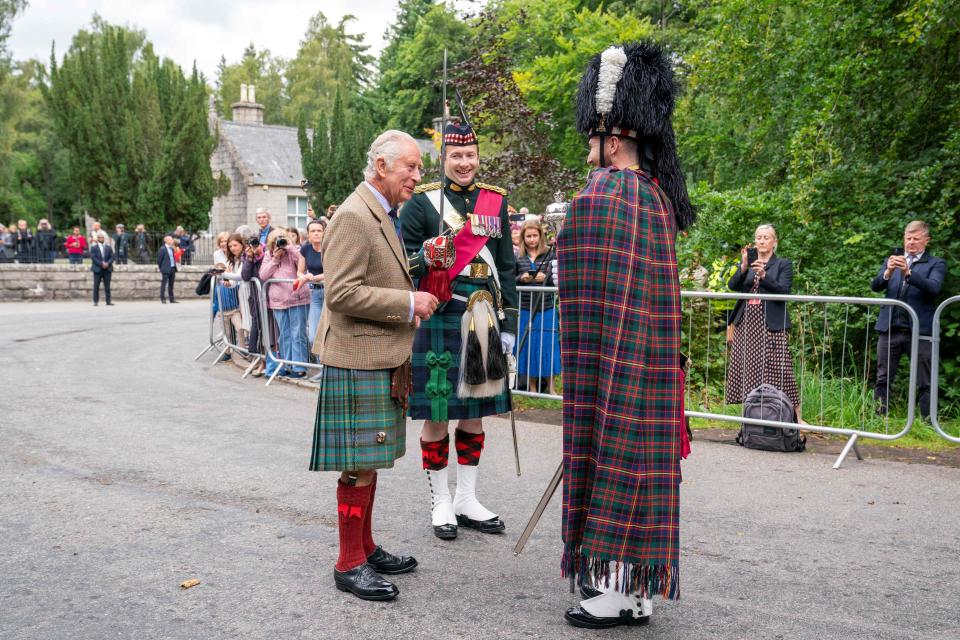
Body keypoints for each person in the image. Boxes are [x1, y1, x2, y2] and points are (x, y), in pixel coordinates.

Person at [556, 42, 695, 629]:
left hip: (610, 361)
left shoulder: (604, 193)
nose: (589, 149)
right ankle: (638, 592)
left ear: (613, 138)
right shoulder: (656, 198)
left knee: (611, 453)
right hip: (650, 361)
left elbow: (576, 280)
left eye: (593, 138)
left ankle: (611, 593)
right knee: (641, 459)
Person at [309, 130, 437, 601]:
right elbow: (341, 292)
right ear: (382, 167)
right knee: (357, 465)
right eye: (411, 167)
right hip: (358, 356)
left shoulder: (380, 212)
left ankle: (363, 546)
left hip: (376, 355)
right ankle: (348, 564)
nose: (417, 177)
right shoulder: (353, 216)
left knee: (370, 459)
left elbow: (378, 273)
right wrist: (407, 303)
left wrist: (422, 262)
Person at [401, 119, 518, 541]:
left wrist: (510, 323)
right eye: (456, 156)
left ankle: (467, 498)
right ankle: (440, 501)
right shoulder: (421, 203)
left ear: (478, 156)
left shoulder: (494, 202)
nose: (464, 163)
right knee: (437, 413)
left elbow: (506, 266)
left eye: (470, 155)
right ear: (443, 159)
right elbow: (404, 263)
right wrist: (429, 256)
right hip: (440, 315)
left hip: (484, 314)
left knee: (476, 412)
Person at [724, 224, 801, 421]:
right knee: (748, 368)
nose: (761, 241)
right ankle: (752, 415)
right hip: (747, 324)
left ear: (774, 242)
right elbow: (733, 286)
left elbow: (784, 292)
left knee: (780, 369)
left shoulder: (783, 264)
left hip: (771, 324)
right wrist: (743, 267)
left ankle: (795, 417)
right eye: (758, 237)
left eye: (766, 237)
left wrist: (764, 276)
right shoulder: (748, 264)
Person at [871, 220, 946, 421]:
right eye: (908, 238)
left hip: (919, 330)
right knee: (883, 377)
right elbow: (876, 286)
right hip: (890, 328)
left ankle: (928, 423)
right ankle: (878, 420)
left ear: (926, 240)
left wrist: (908, 273)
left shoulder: (936, 263)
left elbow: (934, 288)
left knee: (925, 380)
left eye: (916, 238)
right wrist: (888, 272)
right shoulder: (892, 259)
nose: (911, 242)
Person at [514, 219, 561, 393]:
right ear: (523, 237)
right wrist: (521, 279)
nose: (532, 239)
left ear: (540, 236)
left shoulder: (550, 254)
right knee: (530, 345)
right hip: (526, 307)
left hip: (546, 307)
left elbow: (557, 276)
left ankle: (551, 387)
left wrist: (546, 278)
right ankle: (532, 386)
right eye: (528, 236)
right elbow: (510, 279)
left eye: (535, 236)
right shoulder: (518, 257)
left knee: (548, 345)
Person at [259, 228, 311, 378]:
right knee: (285, 335)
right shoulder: (269, 256)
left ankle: (300, 367)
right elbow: (263, 275)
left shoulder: (296, 251)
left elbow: (304, 263)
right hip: (278, 301)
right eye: (276, 241)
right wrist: (275, 259)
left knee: (298, 334)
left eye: (282, 239)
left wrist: (290, 247)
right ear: (271, 243)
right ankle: (287, 365)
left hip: (297, 299)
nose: (280, 244)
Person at [297, 219, 326, 349]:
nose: (316, 233)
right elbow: (299, 272)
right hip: (315, 293)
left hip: (330, 293)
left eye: (319, 230)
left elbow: (334, 271)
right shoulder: (305, 249)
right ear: (308, 234)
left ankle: (326, 368)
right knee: (313, 336)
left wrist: (314, 277)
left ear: (325, 232)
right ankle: (321, 366)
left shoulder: (330, 247)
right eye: (312, 231)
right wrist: (305, 276)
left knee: (327, 334)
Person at [89, 232, 115, 306]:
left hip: (107, 269)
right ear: (97, 239)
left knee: (107, 286)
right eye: (100, 237)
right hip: (97, 269)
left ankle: (108, 301)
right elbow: (93, 258)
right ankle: (95, 301)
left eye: (102, 237)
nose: (101, 239)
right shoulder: (94, 248)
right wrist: (101, 263)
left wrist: (108, 263)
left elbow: (112, 257)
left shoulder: (108, 247)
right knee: (96, 286)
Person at [157, 235, 179, 303]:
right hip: (165, 269)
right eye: (171, 240)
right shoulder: (162, 249)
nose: (172, 241)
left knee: (171, 285)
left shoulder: (172, 249)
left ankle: (171, 299)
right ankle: (163, 298)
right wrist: (161, 268)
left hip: (172, 268)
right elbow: (159, 260)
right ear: (166, 241)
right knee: (164, 284)